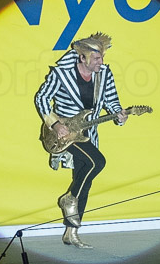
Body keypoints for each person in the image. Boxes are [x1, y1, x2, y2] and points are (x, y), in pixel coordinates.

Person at [33, 32, 127, 249]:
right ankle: (68, 199)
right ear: (82, 57)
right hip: (63, 134)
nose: (101, 62)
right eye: (96, 58)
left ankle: (71, 233)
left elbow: (112, 100)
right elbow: (41, 98)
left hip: (87, 133)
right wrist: (56, 125)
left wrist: (119, 114)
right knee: (97, 162)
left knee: (83, 180)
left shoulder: (104, 74)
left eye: (102, 57)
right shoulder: (61, 73)